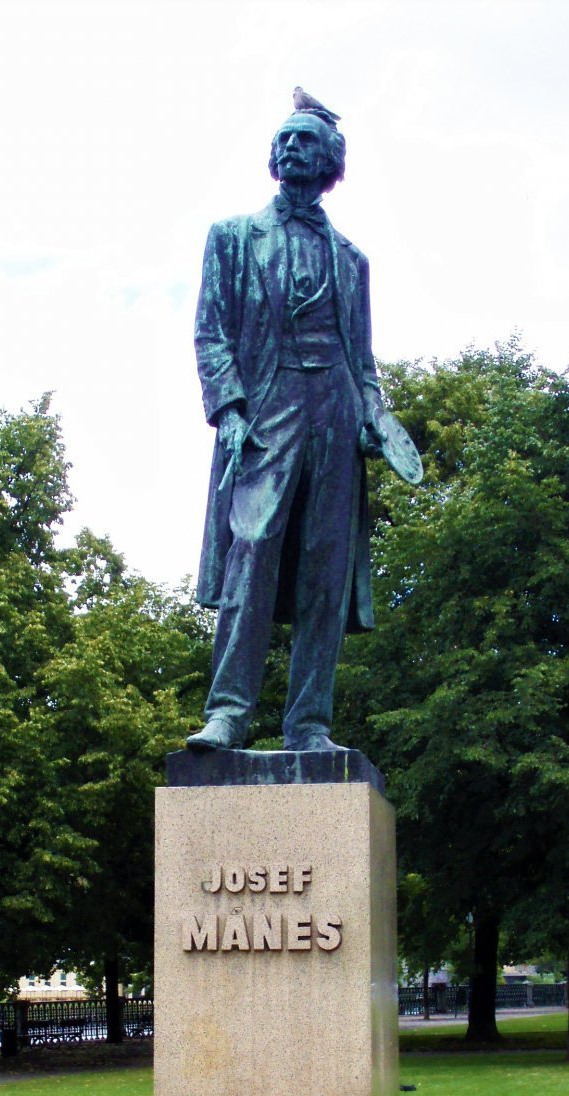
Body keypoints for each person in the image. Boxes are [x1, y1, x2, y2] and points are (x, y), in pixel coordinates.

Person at [187, 97, 388, 754]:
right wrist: (231, 408)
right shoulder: (232, 238)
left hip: (335, 407)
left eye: (305, 140)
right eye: (284, 139)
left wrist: (374, 416)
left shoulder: (352, 260)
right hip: (268, 411)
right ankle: (228, 714)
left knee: (323, 571)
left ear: (329, 162)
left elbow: (363, 359)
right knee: (252, 553)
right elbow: (211, 334)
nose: (292, 148)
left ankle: (309, 725)